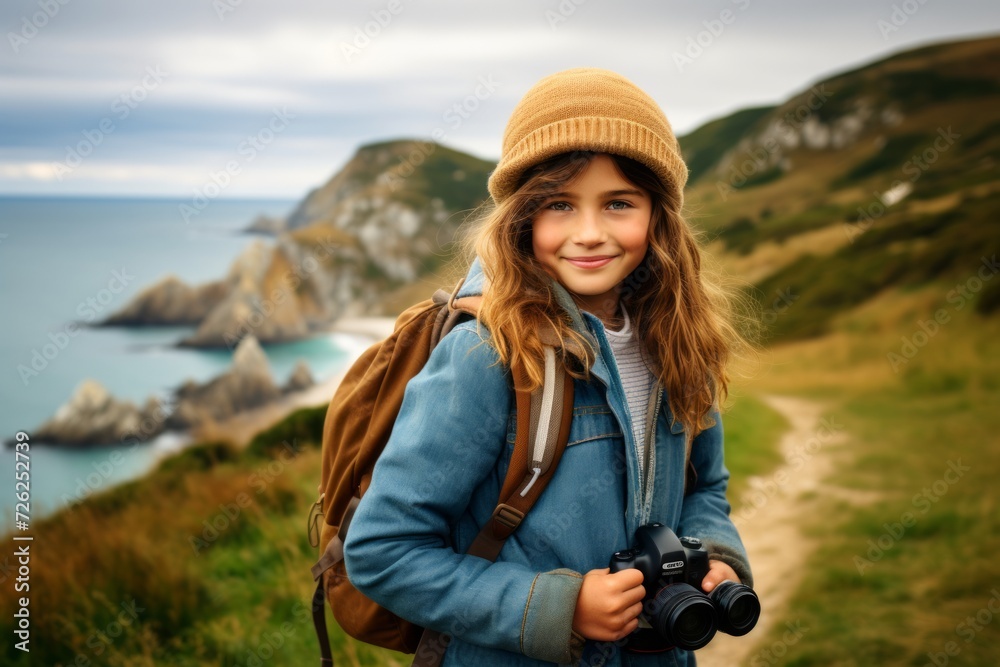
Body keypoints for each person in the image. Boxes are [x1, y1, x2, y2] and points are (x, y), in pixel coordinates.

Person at [343, 67, 755, 666]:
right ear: (521, 218)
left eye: (619, 203)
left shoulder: (676, 342)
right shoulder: (486, 355)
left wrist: (715, 555)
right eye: (559, 204)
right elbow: (384, 552)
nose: (589, 234)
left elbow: (705, 487)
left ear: (658, 217)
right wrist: (557, 608)